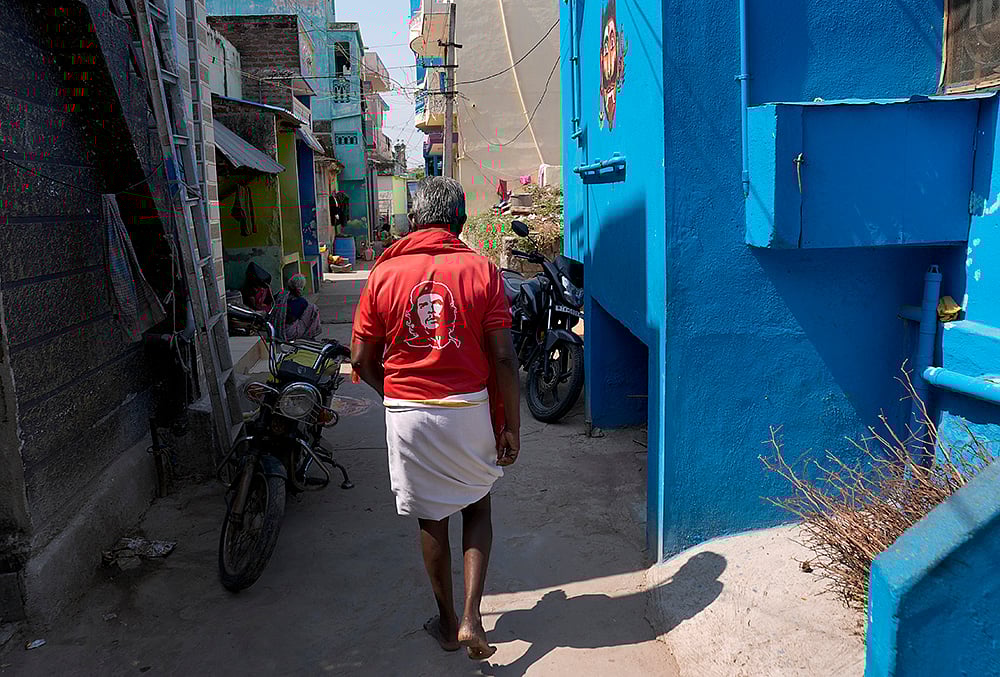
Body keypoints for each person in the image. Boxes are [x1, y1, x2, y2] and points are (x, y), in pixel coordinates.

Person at [351, 176, 521, 660]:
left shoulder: (383, 274)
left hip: (407, 412)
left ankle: (447, 625)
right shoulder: (483, 270)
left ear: (415, 221)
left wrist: (398, 397)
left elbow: (361, 359)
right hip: (468, 409)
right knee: (477, 507)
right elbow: (504, 357)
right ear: (460, 221)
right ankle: (471, 617)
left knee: (431, 518)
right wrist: (511, 423)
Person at [272, 273, 321, 340]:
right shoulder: (301, 301)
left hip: (276, 329)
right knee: (313, 308)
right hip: (288, 332)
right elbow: (291, 318)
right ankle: (310, 334)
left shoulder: (281, 295)